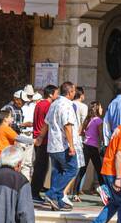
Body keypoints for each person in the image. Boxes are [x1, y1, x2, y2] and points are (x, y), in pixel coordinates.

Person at [41, 81, 79, 211]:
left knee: (58, 172)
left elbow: (46, 123)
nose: (75, 93)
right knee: (73, 169)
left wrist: (41, 137)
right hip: (63, 145)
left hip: (52, 145)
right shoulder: (66, 105)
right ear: (70, 92)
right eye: (74, 91)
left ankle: (57, 200)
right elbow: (67, 126)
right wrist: (72, 146)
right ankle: (52, 194)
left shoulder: (54, 103)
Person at [30, 84, 56, 198]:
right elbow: (48, 123)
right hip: (43, 139)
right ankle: (35, 192)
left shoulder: (39, 104)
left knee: (39, 166)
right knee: (41, 167)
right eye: (56, 93)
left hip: (37, 137)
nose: (58, 95)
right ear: (51, 94)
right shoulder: (48, 105)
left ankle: (36, 189)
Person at [81, 101, 105, 196]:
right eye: (101, 107)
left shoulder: (88, 120)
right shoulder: (98, 120)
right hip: (93, 147)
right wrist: (103, 142)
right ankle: (104, 190)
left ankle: (75, 193)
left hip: (86, 146)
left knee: (82, 170)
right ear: (98, 109)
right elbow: (100, 135)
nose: (102, 109)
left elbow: (81, 132)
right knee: (99, 170)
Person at [0, 105, 20, 173]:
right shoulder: (6, 128)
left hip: (0, 158)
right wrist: (33, 141)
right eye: (11, 117)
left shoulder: (2, 127)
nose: (12, 119)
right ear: (5, 119)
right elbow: (18, 138)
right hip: (3, 158)